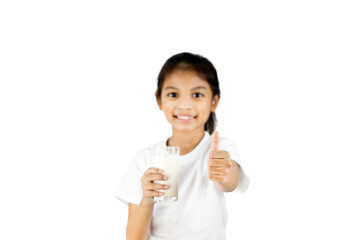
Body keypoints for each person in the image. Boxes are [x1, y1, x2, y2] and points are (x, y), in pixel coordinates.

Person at [114, 52, 250, 240]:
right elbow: (134, 238)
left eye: (197, 95)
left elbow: (230, 182)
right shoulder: (144, 159)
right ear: (159, 100)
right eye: (173, 94)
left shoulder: (220, 148)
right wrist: (147, 199)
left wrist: (223, 173)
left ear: (214, 101)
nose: (185, 105)